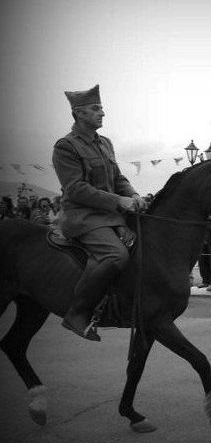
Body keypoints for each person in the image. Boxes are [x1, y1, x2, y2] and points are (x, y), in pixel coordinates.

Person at [51, 84, 146, 340]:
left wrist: (133, 195)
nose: (102, 113)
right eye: (96, 109)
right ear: (78, 113)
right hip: (83, 217)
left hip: (111, 214)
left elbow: (118, 177)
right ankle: (77, 314)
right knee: (116, 256)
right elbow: (76, 189)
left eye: (102, 108)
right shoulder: (65, 146)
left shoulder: (105, 143)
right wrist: (118, 201)